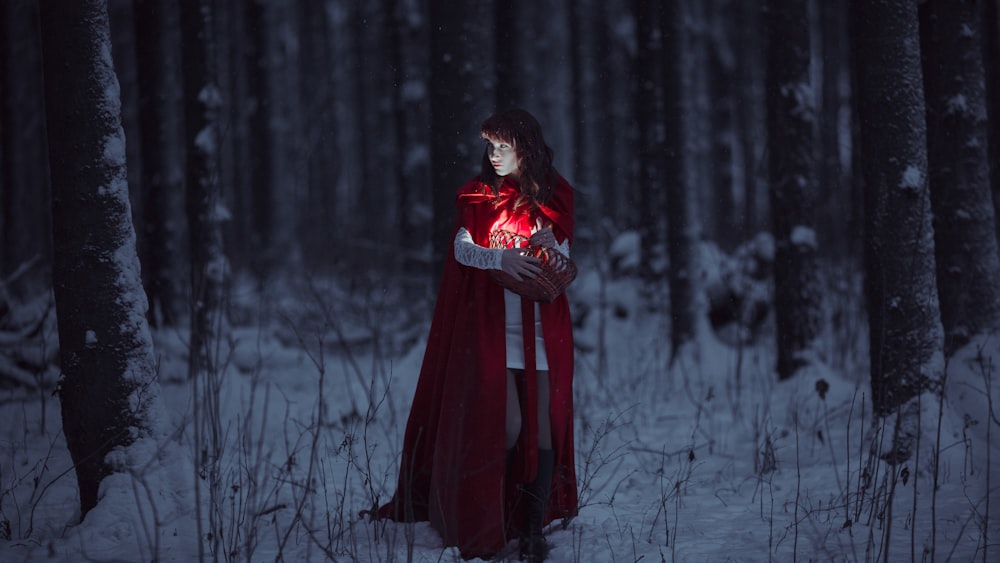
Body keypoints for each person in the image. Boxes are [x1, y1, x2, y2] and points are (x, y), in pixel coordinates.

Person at [369, 108, 578, 561]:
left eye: (504, 146)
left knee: (543, 427)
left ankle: (530, 530)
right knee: (506, 424)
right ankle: (491, 520)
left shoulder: (553, 195)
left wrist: (549, 245)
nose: (494, 155)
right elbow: (462, 249)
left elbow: (564, 253)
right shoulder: (478, 195)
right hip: (491, 329)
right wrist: (497, 259)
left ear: (527, 148)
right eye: (490, 146)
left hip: (540, 327)